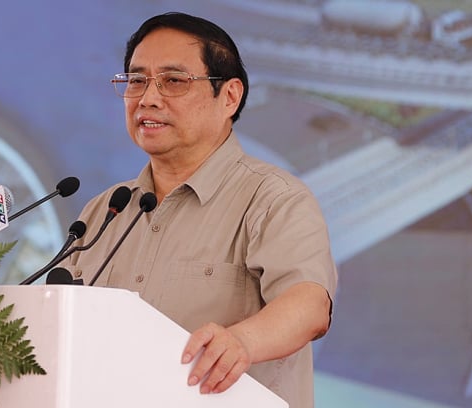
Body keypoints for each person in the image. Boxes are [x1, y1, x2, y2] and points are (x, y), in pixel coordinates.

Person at [61, 11, 337, 408]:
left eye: (173, 81)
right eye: (136, 81)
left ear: (229, 96)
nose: (148, 98)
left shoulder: (274, 199)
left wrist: (242, 341)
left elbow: (309, 306)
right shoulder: (105, 210)